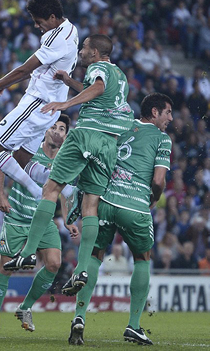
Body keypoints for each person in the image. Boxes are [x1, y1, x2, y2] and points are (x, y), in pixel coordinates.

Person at [4, 35, 134, 300]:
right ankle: (82, 269)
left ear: (96, 52)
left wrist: (65, 103)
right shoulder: (120, 76)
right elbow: (99, 93)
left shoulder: (98, 69)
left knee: (51, 189)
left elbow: (96, 87)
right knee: (90, 206)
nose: (81, 51)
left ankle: (28, 252)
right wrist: (68, 82)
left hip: (86, 134)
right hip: (109, 144)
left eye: (85, 47)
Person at [68, 93, 173, 346]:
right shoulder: (162, 138)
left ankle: (79, 316)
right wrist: (155, 198)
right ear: (155, 112)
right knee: (142, 258)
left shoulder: (121, 126)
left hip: (104, 201)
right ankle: (134, 326)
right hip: (135, 205)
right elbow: (158, 180)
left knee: (95, 255)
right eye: (168, 112)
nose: (170, 118)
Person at [0, 0, 79, 202]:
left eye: (40, 22)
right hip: (51, 108)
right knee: (21, 160)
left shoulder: (55, 38)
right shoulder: (71, 29)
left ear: (53, 17)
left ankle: (37, 192)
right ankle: (68, 191)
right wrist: (7, 84)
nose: (38, 26)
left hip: (36, 105)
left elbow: (24, 69)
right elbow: (38, 69)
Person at [0, 115, 79, 339]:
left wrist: (67, 219)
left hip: (43, 221)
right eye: (53, 127)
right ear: (45, 131)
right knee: (5, 268)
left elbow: (63, 191)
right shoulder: (30, 150)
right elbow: (1, 161)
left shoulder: (64, 159)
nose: (57, 131)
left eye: (62, 128)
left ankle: (25, 307)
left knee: (54, 264)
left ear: (66, 135)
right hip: (17, 216)